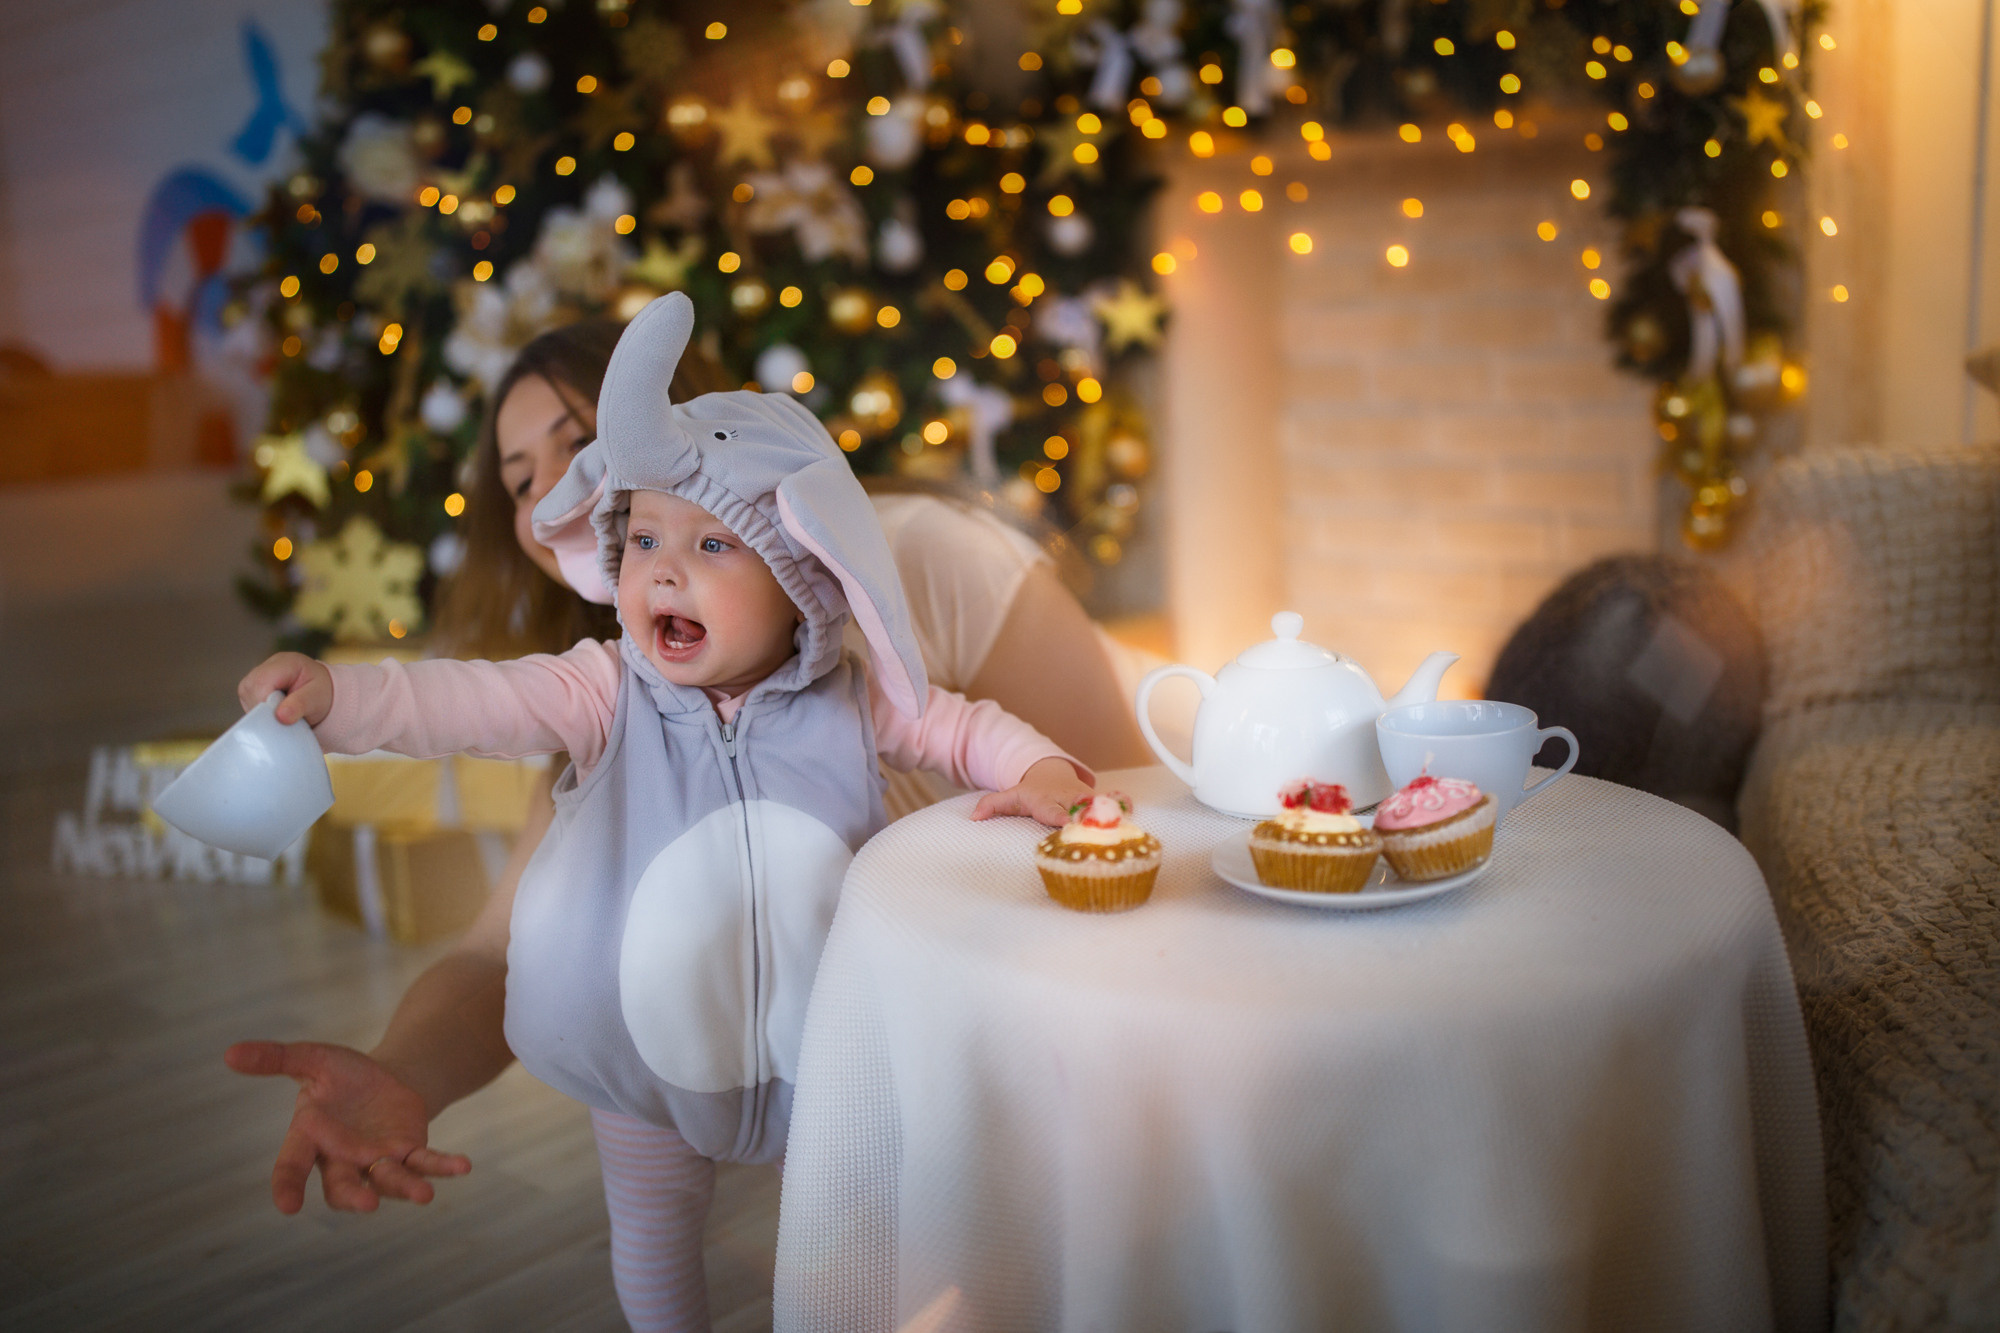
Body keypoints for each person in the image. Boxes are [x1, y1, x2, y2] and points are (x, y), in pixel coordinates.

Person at [230, 294, 1099, 1331]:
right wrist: (338, 699)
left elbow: (967, 728)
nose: (663, 566)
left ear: (800, 576)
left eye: (576, 440)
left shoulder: (859, 686)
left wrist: (1046, 768)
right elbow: (465, 701)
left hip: (828, 1047)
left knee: (848, 1251)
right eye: (637, 537)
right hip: (639, 1052)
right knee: (648, 1240)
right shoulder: (600, 689)